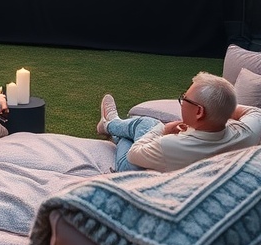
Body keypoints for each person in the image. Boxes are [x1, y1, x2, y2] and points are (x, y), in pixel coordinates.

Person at [97, 71, 261, 172]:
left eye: (185, 99)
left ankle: (110, 124)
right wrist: (219, 108)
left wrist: (164, 130)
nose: (182, 101)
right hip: (172, 161)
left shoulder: (171, 145)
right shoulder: (247, 133)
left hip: (137, 172)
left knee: (148, 125)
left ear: (199, 112)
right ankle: (113, 127)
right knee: (141, 126)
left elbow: (133, 155)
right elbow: (256, 111)